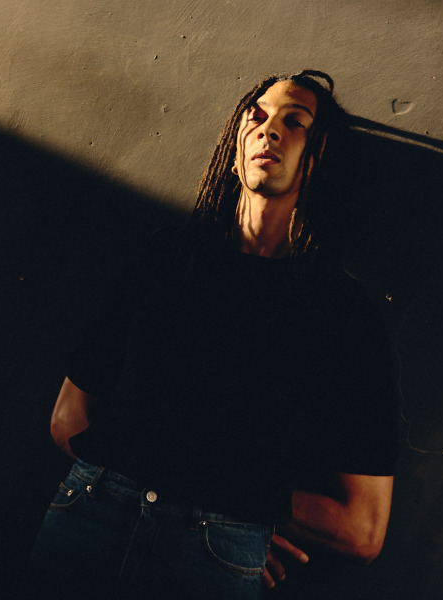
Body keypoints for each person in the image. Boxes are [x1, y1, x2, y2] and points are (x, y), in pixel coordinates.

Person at [28, 70, 399, 599]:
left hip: (210, 558)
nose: (268, 130)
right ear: (234, 149)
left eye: (295, 121)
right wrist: (244, 506)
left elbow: (361, 529)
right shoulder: (165, 259)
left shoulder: (344, 315)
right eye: (257, 116)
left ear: (320, 158)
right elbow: (68, 420)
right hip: (90, 517)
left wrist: (243, 525)